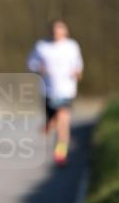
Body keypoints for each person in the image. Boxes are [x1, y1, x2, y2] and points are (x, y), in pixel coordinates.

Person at [27, 20, 83, 166]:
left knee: (63, 121)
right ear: (50, 31)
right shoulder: (42, 46)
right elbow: (31, 63)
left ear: (65, 31)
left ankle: (60, 153)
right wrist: (40, 68)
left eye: (60, 29)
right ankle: (49, 124)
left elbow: (78, 64)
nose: (57, 32)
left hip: (66, 90)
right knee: (54, 122)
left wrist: (77, 72)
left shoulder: (72, 46)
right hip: (48, 91)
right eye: (54, 30)